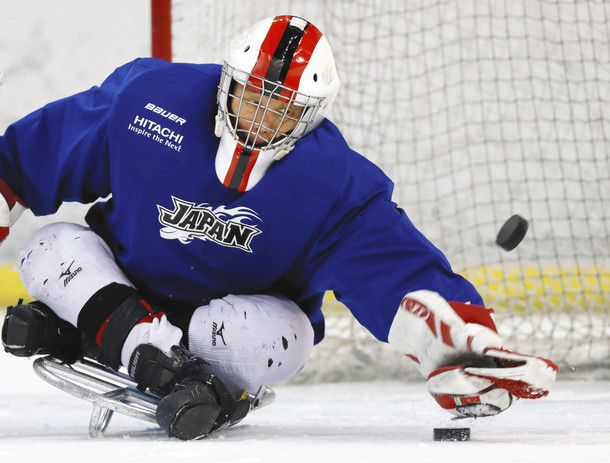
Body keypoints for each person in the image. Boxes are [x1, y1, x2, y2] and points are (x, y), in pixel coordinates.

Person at [0, 15, 557, 440]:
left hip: (220, 326)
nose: (262, 117)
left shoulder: (333, 181)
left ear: (313, 114)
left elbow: (393, 267)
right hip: (120, 276)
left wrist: (459, 343)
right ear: (228, 78)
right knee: (49, 246)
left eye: (283, 107)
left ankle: (104, 337)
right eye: (253, 94)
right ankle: (157, 362)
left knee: (286, 340)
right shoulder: (148, 99)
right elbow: (33, 156)